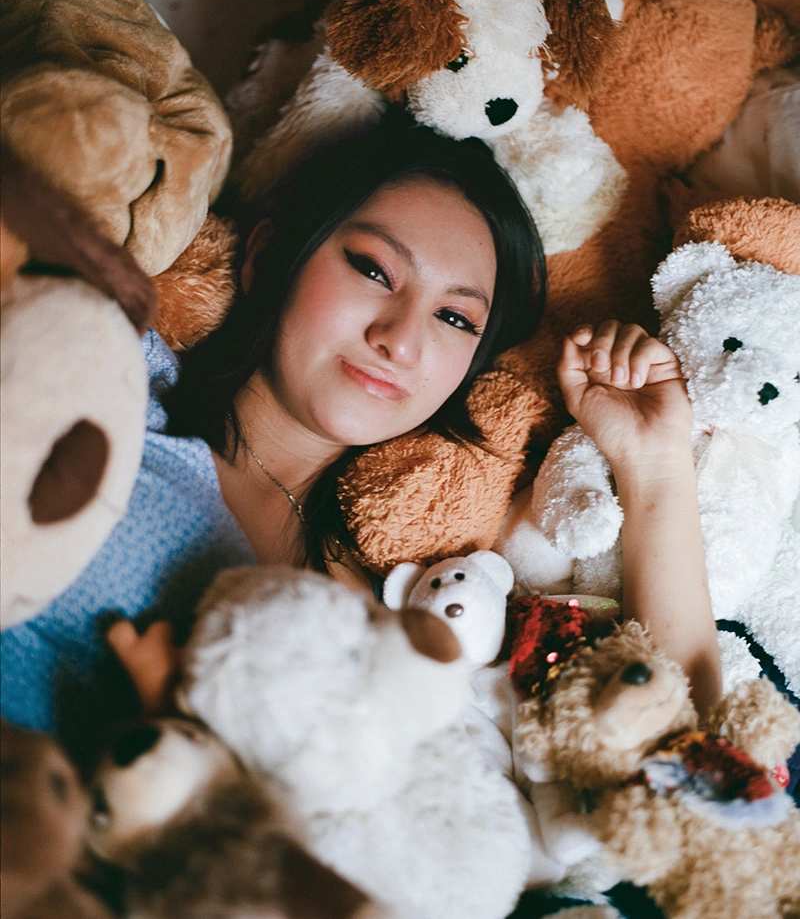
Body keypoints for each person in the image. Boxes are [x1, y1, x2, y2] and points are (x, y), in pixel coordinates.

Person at [0, 122, 721, 762]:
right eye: (374, 270)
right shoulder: (114, 386)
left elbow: (677, 741)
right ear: (267, 257)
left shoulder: (422, 604)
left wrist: (653, 464)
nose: (401, 339)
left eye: (455, 320)